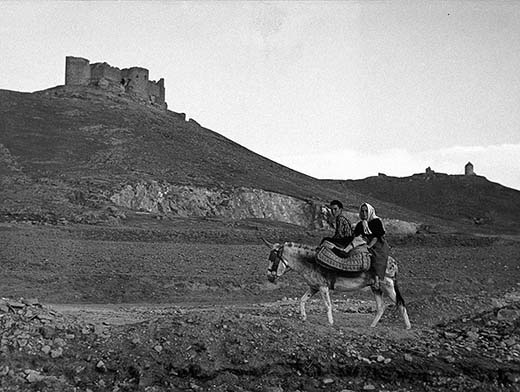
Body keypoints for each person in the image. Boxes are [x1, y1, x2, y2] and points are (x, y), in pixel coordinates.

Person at [353, 203, 389, 289]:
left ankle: (376, 279)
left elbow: (376, 237)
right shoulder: (360, 224)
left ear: (370, 212)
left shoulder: (376, 222)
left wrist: (368, 246)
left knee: (375, 257)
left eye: (366, 211)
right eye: (362, 211)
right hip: (364, 243)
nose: (364, 213)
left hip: (377, 244)